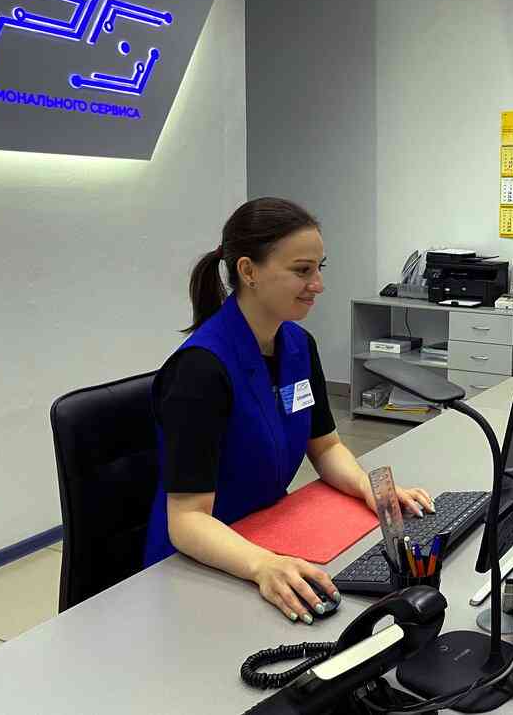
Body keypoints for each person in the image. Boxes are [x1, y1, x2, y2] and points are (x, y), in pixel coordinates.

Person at [143, 198, 434, 624]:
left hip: (268, 532)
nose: (318, 284)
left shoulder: (298, 346)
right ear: (248, 271)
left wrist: (367, 488)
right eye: (302, 270)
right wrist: (263, 565)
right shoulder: (200, 370)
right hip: (198, 564)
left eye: (319, 268)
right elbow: (186, 520)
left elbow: (326, 446)